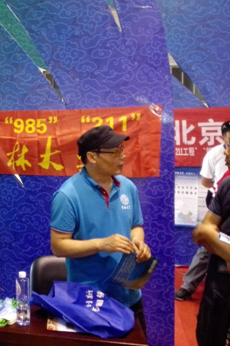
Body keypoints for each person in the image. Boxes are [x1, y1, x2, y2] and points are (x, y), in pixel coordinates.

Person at [50, 126, 151, 337]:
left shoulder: (128, 187)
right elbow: (58, 246)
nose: (122, 156)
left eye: (122, 149)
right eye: (115, 151)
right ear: (92, 157)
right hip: (90, 300)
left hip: (129, 295)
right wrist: (101, 244)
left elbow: (136, 226)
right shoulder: (67, 195)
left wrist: (138, 241)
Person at [175, 120, 230, 301]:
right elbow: (206, 181)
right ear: (223, 138)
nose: (228, 153)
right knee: (211, 244)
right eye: (229, 143)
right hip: (219, 201)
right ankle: (188, 286)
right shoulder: (214, 155)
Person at [193, 146, 230, 346]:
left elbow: (208, 232)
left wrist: (214, 238)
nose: (226, 153)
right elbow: (203, 232)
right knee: (209, 335)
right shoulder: (227, 185)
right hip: (219, 286)